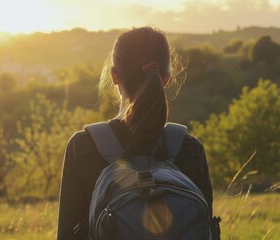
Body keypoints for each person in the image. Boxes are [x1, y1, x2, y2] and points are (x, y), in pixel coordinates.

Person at [56, 26, 214, 240]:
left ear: (114, 75)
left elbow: (67, 235)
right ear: (166, 78)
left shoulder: (84, 147)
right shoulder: (189, 148)